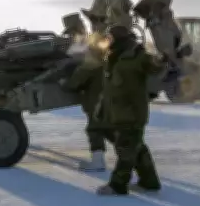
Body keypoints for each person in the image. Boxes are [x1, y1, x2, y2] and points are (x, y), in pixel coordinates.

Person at [95, 25, 163, 196]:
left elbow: (154, 66)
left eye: (111, 38)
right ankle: (149, 181)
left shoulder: (137, 55)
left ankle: (118, 185)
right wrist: (102, 109)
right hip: (115, 112)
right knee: (136, 147)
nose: (108, 41)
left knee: (127, 149)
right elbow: (109, 86)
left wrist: (161, 60)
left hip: (132, 113)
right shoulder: (112, 56)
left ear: (120, 39)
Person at [61, 51, 109, 171]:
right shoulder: (114, 61)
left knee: (95, 130)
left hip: (97, 103)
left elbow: (74, 83)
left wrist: (63, 82)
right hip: (117, 102)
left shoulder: (90, 65)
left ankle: (98, 161)